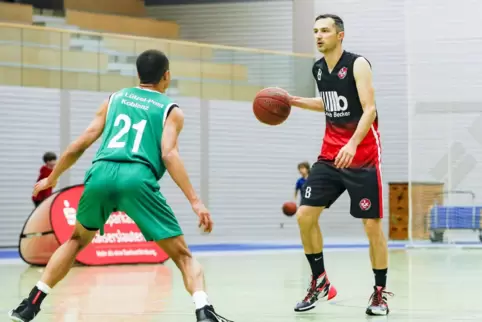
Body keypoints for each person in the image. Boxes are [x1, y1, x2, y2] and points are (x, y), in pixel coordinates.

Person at [9, 49, 233, 322]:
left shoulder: (114, 99)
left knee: (76, 240)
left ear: (137, 75)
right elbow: (169, 154)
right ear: (167, 76)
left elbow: (82, 141)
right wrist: (196, 202)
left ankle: (30, 304)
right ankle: (204, 311)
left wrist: (53, 177)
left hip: (100, 173)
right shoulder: (170, 110)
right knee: (183, 256)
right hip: (137, 178)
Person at [286, 14, 392, 316]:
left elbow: (369, 109)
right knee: (305, 216)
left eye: (325, 31)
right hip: (330, 156)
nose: (319, 36)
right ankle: (320, 281)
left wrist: (353, 143)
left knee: (371, 226)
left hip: (363, 157)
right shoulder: (319, 68)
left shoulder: (358, 64)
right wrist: (293, 100)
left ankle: (380, 293)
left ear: (340, 35)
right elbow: (327, 102)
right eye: (315, 31)